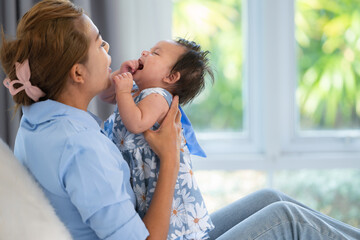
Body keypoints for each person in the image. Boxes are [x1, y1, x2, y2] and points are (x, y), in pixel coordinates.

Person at [1, 1, 360, 240]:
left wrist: (120, 86)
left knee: (269, 197)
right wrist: (170, 158)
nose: (108, 46)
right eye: (99, 44)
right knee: (286, 219)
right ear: (77, 73)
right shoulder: (78, 148)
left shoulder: (39, 119)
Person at [100, 38, 215, 240]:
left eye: (155, 53)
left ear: (171, 77)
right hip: (144, 178)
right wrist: (122, 74)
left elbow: (136, 122)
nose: (145, 52)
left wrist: (124, 90)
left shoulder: (158, 97)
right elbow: (106, 95)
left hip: (154, 178)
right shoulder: (139, 92)